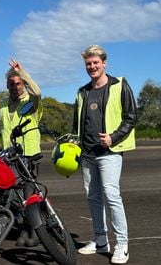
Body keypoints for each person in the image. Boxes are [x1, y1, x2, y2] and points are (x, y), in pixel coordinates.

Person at [73, 45, 137, 264]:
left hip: (109, 151)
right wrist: (75, 142)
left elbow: (131, 116)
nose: (92, 67)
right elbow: (77, 123)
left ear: (104, 63)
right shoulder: (82, 92)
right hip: (87, 153)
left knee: (111, 195)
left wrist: (114, 137)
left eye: (95, 63)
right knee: (93, 198)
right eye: (88, 64)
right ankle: (100, 240)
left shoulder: (119, 84)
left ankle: (122, 244)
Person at [0, 57, 43, 247]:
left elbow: (36, 90)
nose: (15, 86)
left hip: (28, 154)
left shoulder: (31, 101)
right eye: (12, 84)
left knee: (29, 195)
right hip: (9, 156)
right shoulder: (4, 104)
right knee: (14, 196)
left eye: (18, 83)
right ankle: (22, 228)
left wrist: (21, 71)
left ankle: (35, 232)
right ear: (7, 86)